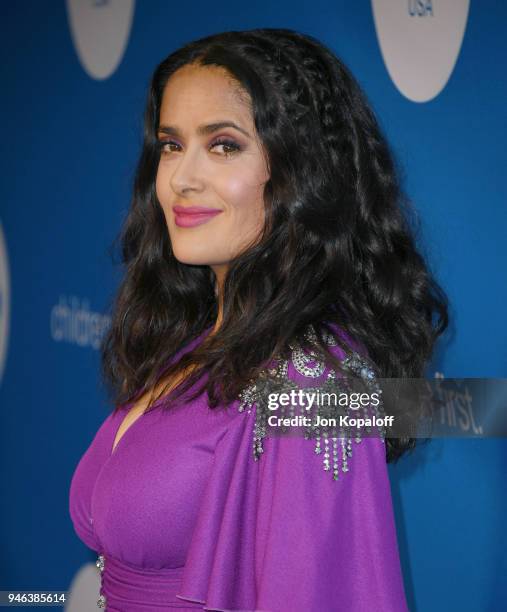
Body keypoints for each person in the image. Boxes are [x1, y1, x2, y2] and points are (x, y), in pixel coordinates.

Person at [69, 28, 448, 611]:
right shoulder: (195, 341)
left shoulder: (310, 381)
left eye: (223, 145)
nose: (181, 179)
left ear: (302, 172)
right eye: (171, 145)